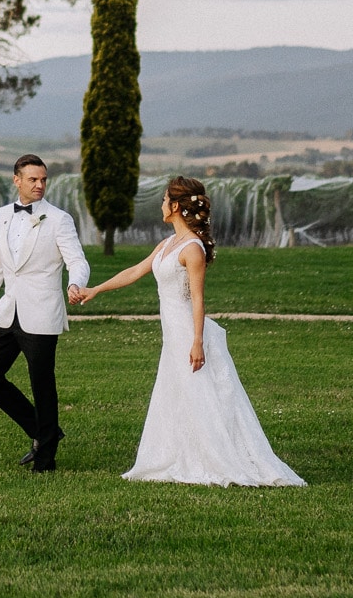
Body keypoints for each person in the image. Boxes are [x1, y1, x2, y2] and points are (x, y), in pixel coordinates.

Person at [73, 176, 304, 487]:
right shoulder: (168, 244)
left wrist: (197, 342)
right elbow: (135, 271)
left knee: (202, 395)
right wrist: (95, 290)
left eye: (165, 199)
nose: (160, 204)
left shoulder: (192, 249)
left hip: (187, 332)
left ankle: (215, 458)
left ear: (176, 206)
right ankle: (177, 453)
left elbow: (198, 299)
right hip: (172, 333)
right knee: (176, 394)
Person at [0, 153, 90, 472]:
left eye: (43, 180)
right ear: (16, 180)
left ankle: (45, 460)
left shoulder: (59, 219)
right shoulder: (4, 215)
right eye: (33, 179)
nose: (39, 185)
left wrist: (76, 283)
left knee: (42, 385)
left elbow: (78, 261)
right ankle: (43, 432)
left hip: (43, 314)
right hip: (8, 314)